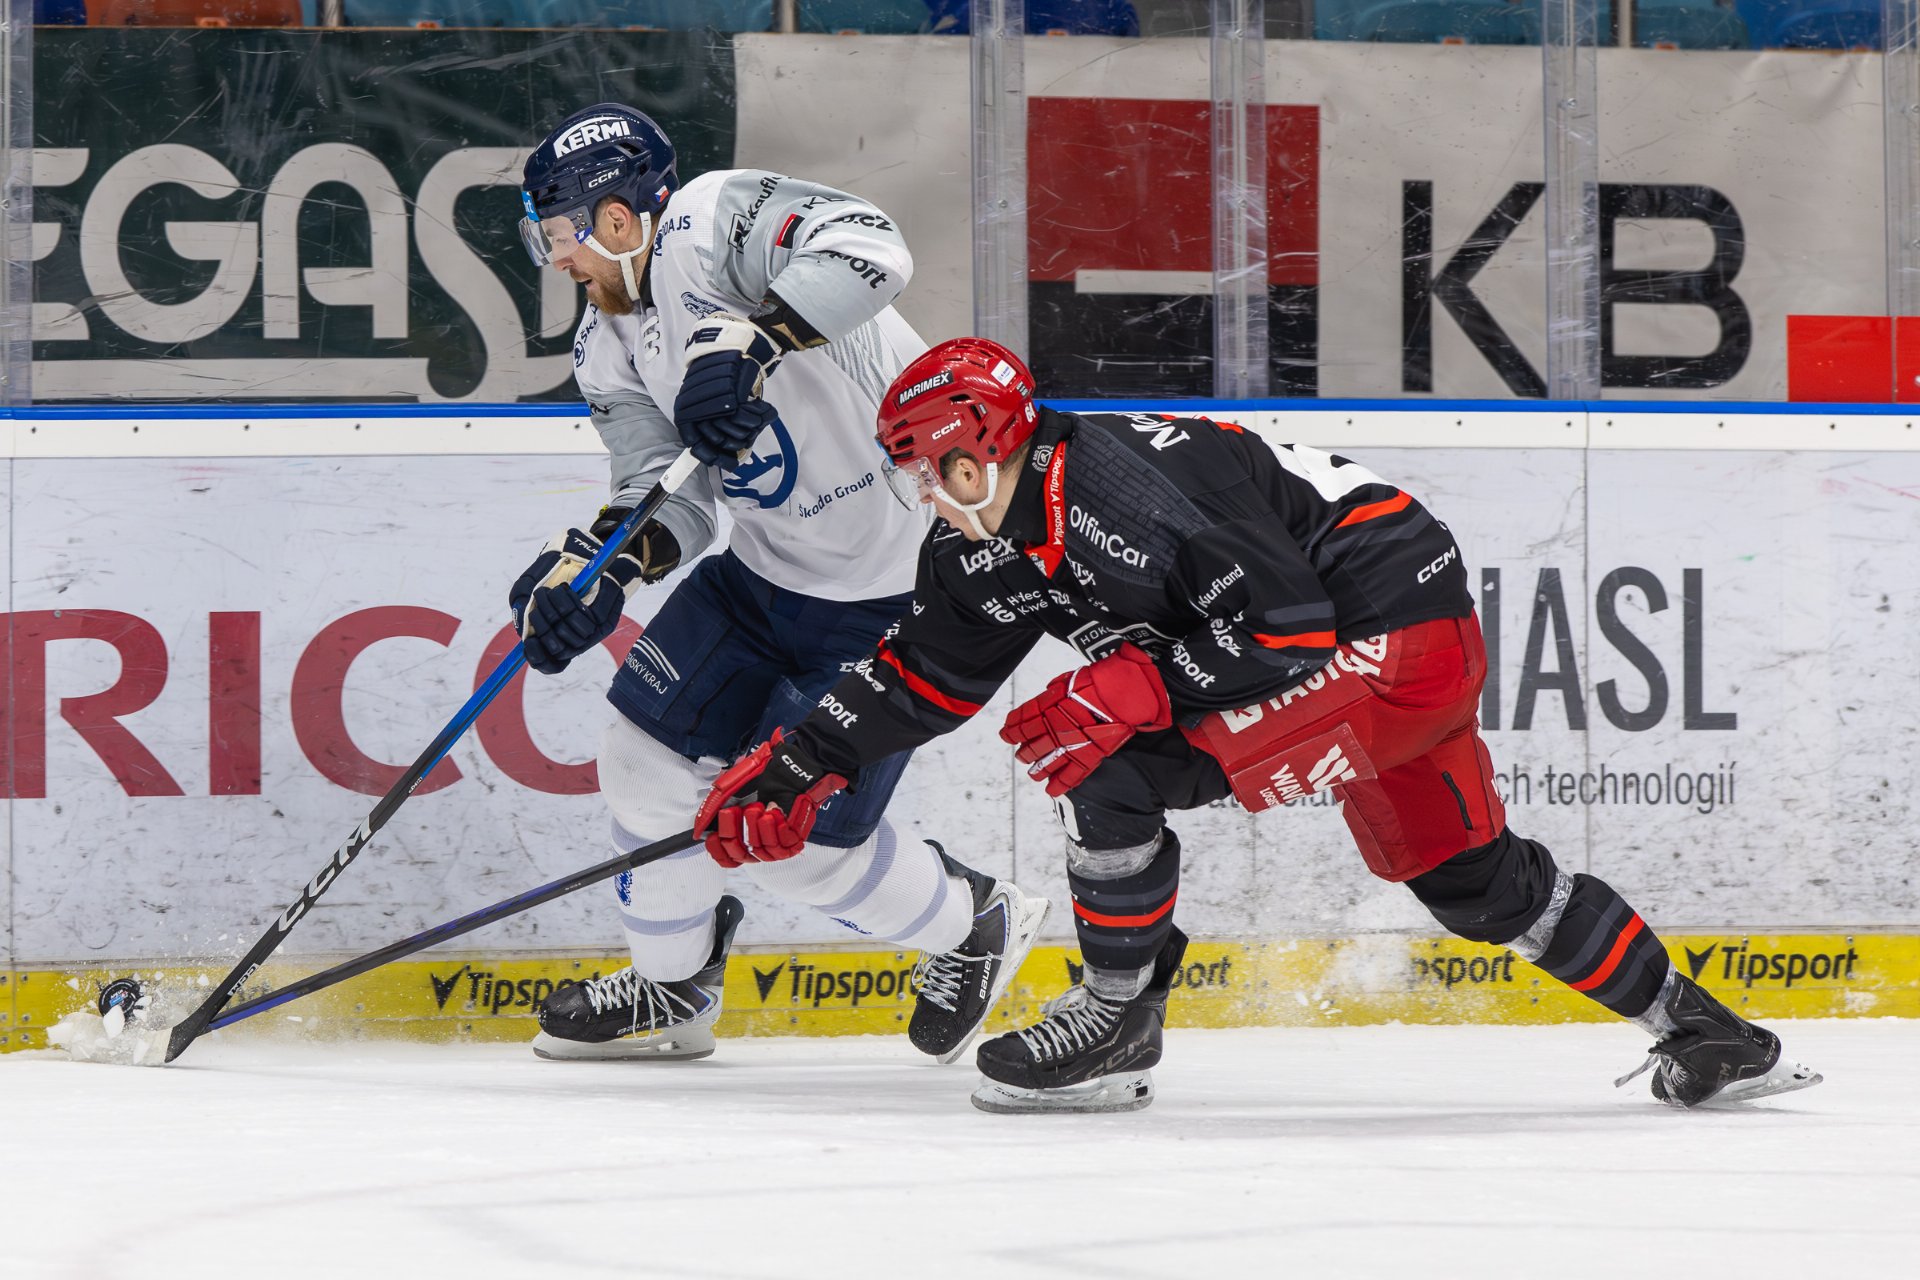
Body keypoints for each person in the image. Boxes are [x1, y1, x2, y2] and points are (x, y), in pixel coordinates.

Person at [691, 335, 1825, 1114]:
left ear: (983, 441)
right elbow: (925, 673)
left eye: (935, 468)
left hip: (1382, 640)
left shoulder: (1123, 483)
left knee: (1111, 763)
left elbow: (1284, 623)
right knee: (1473, 881)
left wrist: (1132, 688)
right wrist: (799, 762)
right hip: (1373, 651)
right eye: (912, 476)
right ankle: (1706, 1032)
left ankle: (1117, 1018)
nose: (926, 496)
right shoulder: (981, 542)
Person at [509, 106, 1047, 1064]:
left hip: (899, 592)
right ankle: (674, 990)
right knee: (640, 769)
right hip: (760, 578)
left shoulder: (712, 223)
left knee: (795, 846)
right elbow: (667, 494)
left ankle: (975, 922)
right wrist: (602, 570)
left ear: (618, 219)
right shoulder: (604, 346)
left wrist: (754, 340)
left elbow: (874, 249)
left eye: (560, 234)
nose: (557, 260)